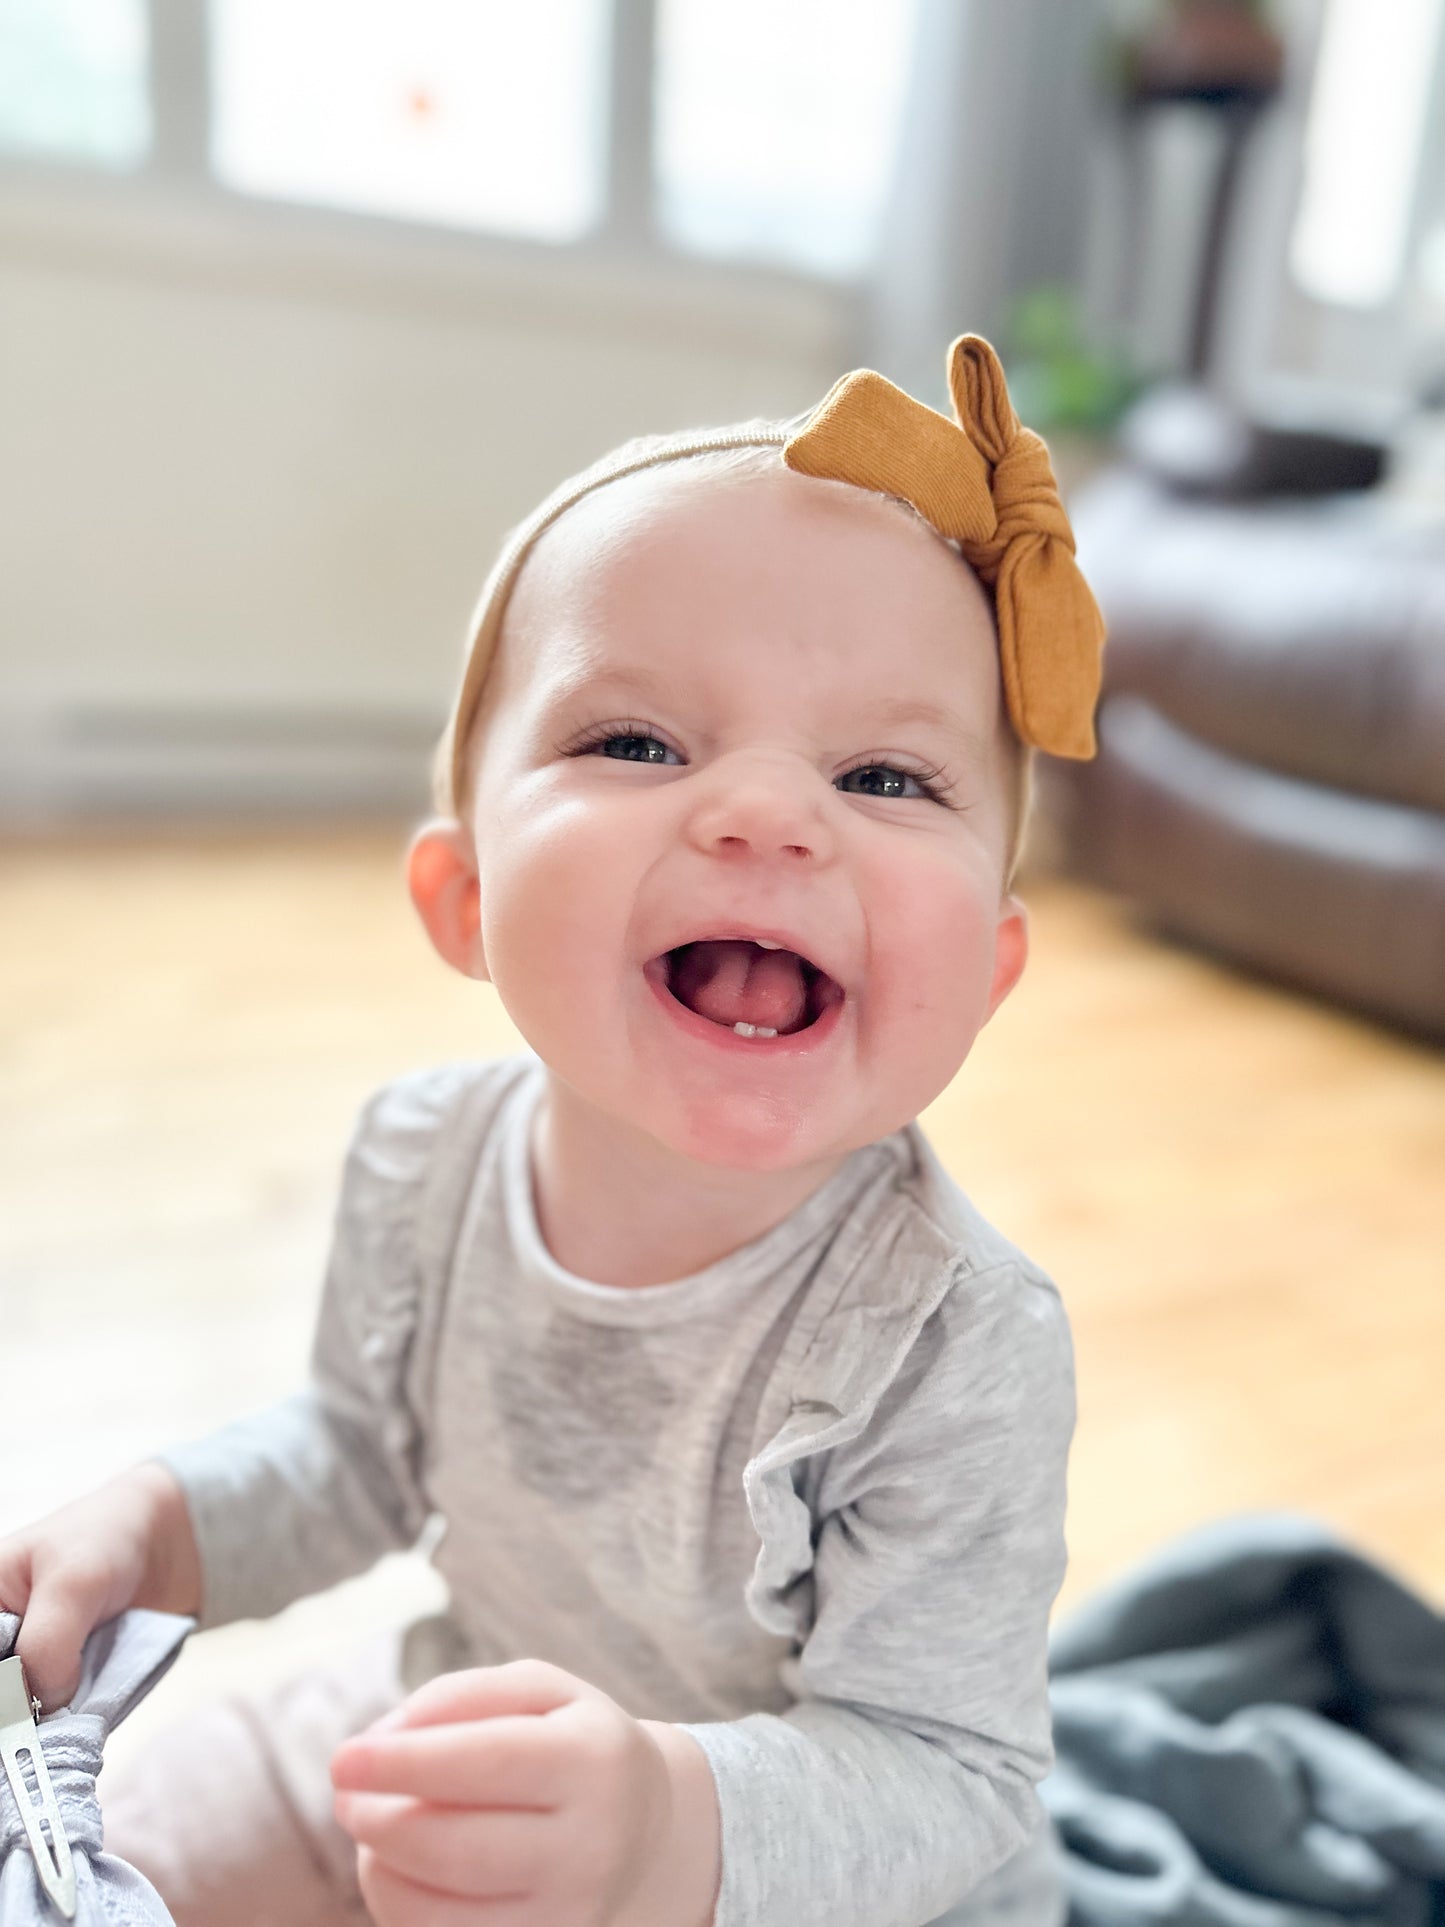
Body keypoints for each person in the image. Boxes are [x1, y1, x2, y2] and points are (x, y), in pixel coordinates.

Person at [0, 336, 1105, 1927]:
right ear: (463, 900)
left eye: (881, 773)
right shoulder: (423, 1159)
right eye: (638, 742)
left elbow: (947, 1773)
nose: (767, 812)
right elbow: (353, 1458)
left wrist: (662, 1829)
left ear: (989, 975)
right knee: (91, 1851)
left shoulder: (952, 1343)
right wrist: (158, 1526)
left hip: (806, 1874)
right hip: (472, 1730)